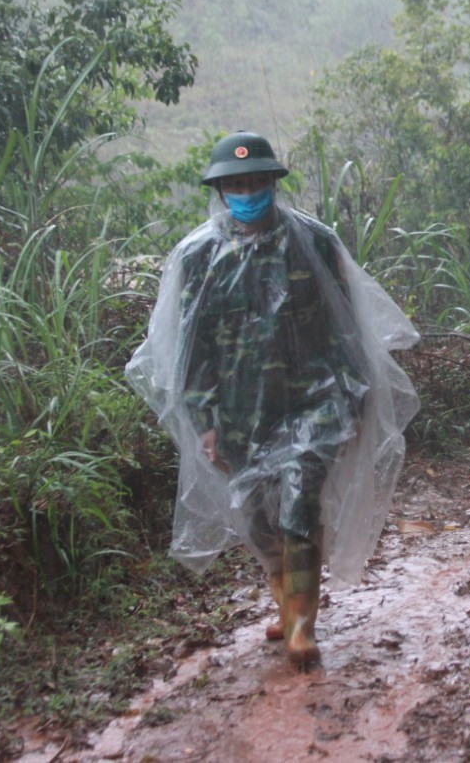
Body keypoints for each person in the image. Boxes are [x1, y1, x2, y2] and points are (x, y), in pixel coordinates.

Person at [126, 130, 420, 667]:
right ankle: (286, 607)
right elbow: (192, 349)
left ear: (273, 182)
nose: (248, 191)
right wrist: (205, 421)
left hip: (315, 401)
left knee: (299, 504)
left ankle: (303, 628)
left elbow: (346, 327)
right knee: (260, 519)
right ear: (219, 190)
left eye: (257, 180)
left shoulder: (314, 240)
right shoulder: (197, 256)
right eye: (236, 184)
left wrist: (353, 400)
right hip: (239, 411)